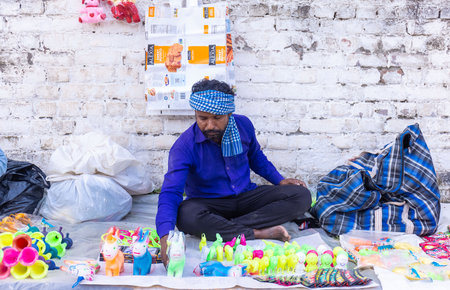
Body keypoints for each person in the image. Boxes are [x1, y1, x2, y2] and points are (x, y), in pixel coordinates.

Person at [156, 79, 312, 266]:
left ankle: (223, 227)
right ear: (196, 115)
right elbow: (171, 192)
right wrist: (165, 236)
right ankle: (256, 232)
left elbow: (256, 157)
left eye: (217, 118)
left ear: (229, 114)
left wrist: (279, 180)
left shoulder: (243, 126)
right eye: (203, 118)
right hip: (210, 203)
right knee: (185, 215)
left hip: (246, 197)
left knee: (301, 195)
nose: (210, 125)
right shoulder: (184, 146)